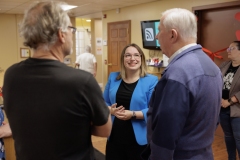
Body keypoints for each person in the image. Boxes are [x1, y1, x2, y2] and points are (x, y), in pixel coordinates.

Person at [2, 1, 111, 160]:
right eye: (71, 29)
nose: (72, 35)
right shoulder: (82, 81)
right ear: (61, 34)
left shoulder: (11, 75)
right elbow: (104, 130)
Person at [146, 8, 223, 160]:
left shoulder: (178, 73)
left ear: (173, 35)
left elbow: (165, 134)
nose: (156, 36)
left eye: (160, 30)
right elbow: (213, 120)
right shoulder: (212, 66)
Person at [103, 43, 158, 160]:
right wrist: (111, 111)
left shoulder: (151, 81)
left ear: (141, 59)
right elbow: (102, 103)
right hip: (114, 137)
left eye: (136, 55)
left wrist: (132, 114)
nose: (132, 59)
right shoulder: (113, 77)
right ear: (123, 59)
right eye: (128, 55)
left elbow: (154, 109)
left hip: (139, 141)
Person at [219, 40, 240, 160]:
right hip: (222, 108)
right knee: (228, 137)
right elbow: (216, 81)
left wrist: (230, 101)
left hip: (237, 110)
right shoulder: (224, 65)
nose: (228, 51)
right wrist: (220, 98)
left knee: (238, 139)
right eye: (228, 48)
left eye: (231, 48)